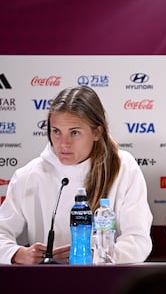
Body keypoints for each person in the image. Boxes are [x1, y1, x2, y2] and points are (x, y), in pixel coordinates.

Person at [0, 86, 153, 265]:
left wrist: (93, 256)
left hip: (107, 284)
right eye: (56, 131)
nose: (63, 143)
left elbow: (138, 241)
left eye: (74, 132)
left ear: (97, 132)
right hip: (46, 284)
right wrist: (17, 253)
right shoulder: (28, 175)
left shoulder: (123, 167)